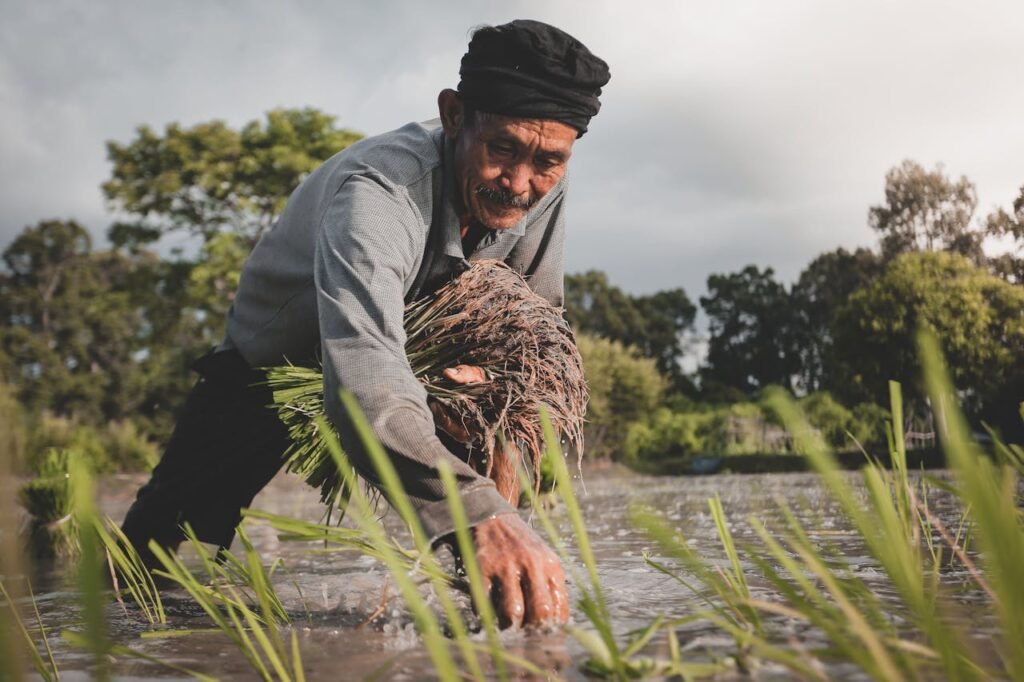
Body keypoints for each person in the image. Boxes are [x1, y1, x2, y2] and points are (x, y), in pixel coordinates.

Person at [120, 19, 610, 629]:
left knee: (494, 468)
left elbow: (537, 327)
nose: (518, 184)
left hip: (422, 356)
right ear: (455, 115)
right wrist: (474, 511)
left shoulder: (541, 186)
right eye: (502, 149)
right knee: (167, 539)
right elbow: (367, 378)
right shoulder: (379, 195)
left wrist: (491, 386)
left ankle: (488, 621)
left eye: (548, 160)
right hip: (278, 360)